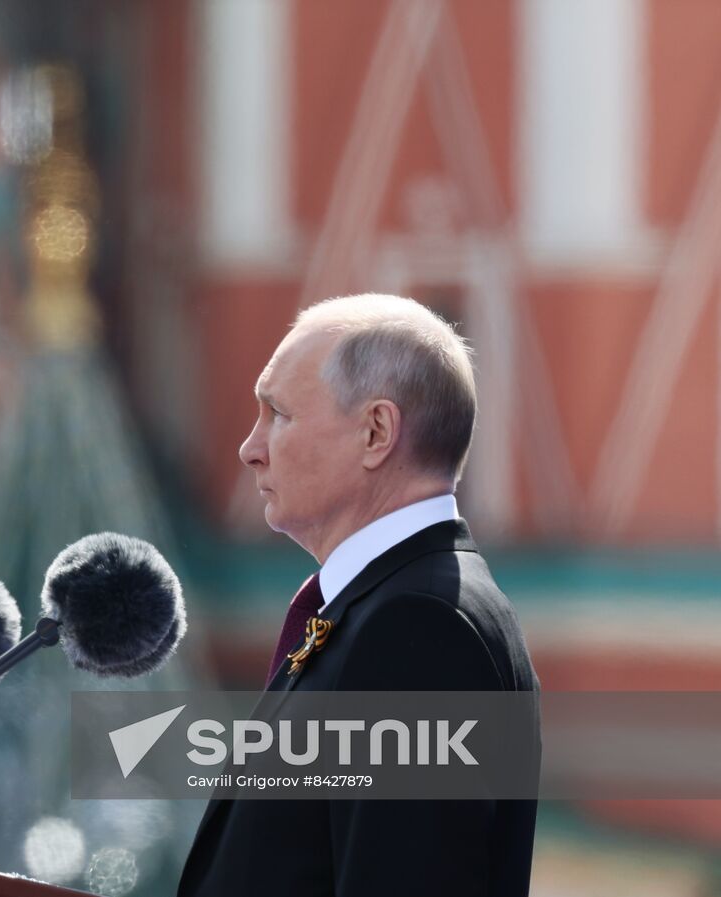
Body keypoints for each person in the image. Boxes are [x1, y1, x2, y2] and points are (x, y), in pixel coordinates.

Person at [179, 294, 539, 897]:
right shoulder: (384, 609)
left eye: (278, 414)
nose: (251, 447)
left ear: (376, 432)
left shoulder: (418, 628)